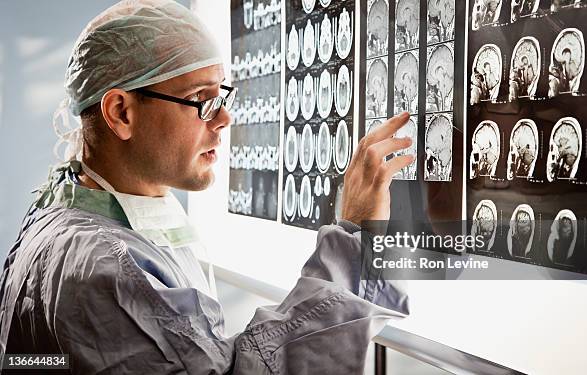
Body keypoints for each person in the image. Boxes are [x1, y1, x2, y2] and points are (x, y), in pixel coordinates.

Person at [0, 1, 415, 373]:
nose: (224, 119)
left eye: (223, 96)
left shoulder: (63, 212)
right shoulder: (107, 272)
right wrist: (354, 233)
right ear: (121, 112)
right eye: (201, 99)